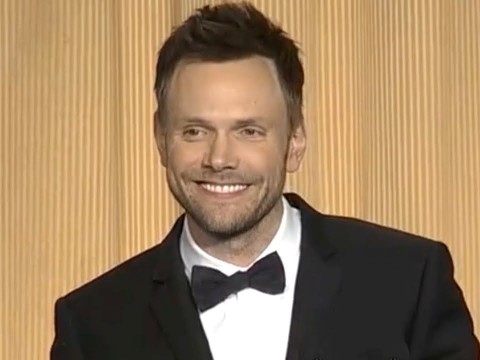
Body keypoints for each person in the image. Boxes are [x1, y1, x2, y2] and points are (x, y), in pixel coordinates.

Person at [50, 2, 479, 359]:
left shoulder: (408, 281)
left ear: (294, 141)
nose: (219, 159)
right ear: (161, 139)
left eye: (249, 131)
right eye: (195, 131)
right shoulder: (92, 325)